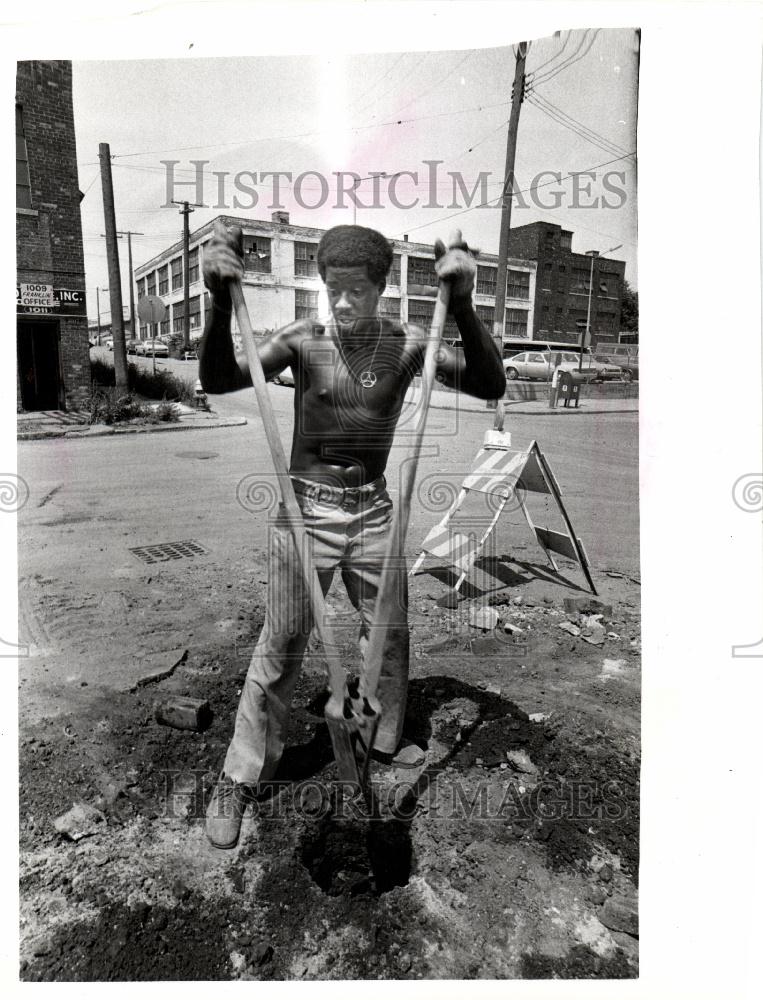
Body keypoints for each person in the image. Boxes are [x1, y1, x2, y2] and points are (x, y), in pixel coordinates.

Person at [200, 221, 506, 848]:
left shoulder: (406, 344)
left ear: (382, 288)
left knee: (388, 635)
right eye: (332, 290)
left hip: (372, 510)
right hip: (302, 508)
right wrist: (215, 303)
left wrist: (468, 304)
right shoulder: (302, 340)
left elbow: (489, 384)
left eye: (356, 292)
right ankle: (240, 774)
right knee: (283, 639)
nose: (342, 304)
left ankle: (377, 743)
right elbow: (219, 380)